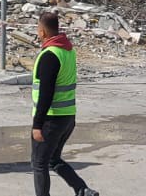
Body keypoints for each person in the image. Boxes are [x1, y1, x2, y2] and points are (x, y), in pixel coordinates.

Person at [30, 11, 99, 196]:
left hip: (51, 120)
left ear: (43, 31)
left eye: (38, 29)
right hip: (68, 117)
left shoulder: (49, 55)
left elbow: (46, 93)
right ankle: (82, 190)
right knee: (53, 159)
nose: (37, 33)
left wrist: (37, 125)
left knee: (39, 163)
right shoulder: (67, 50)